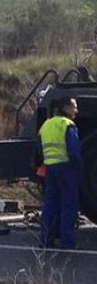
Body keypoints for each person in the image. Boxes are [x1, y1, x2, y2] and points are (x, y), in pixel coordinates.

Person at [39, 97, 83, 250]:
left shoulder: (46, 125)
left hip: (50, 169)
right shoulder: (67, 125)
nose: (76, 110)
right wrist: (79, 168)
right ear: (66, 108)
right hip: (66, 168)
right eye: (74, 107)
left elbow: (38, 151)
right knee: (69, 204)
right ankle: (67, 241)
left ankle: (46, 239)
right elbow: (74, 151)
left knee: (50, 204)